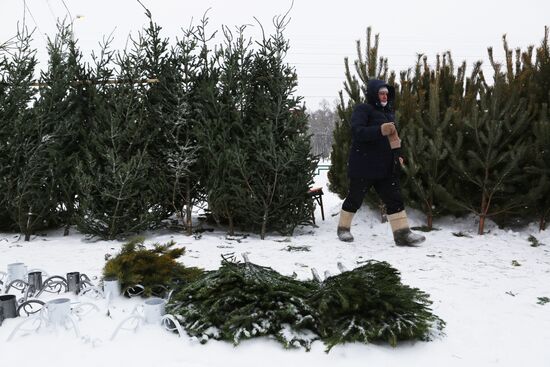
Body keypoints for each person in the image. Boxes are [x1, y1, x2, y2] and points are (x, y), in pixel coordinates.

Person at [336, 79, 425, 247]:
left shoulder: (388, 113)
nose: (384, 96)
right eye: (381, 93)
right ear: (373, 94)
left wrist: (398, 154)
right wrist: (379, 130)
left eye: (386, 93)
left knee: (394, 199)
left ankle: (402, 234)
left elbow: (394, 138)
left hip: (385, 167)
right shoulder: (363, 109)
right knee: (355, 198)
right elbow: (357, 132)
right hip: (363, 166)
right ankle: (343, 229)